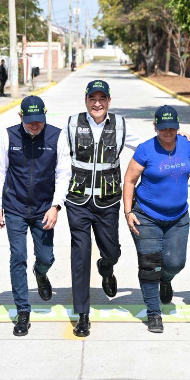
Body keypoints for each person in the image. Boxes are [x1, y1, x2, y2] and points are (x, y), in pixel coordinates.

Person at [0, 96, 70, 336]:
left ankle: (41, 272)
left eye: (39, 121)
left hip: (44, 208)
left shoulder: (58, 137)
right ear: (20, 117)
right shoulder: (8, 136)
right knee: (18, 257)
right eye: (30, 121)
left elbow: (63, 174)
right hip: (15, 207)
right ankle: (22, 310)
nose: (35, 125)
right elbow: (0, 171)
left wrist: (56, 206)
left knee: (46, 257)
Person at [122, 105, 190, 333]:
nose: (168, 132)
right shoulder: (145, 150)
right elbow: (130, 181)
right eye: (163, 128)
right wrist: (128, 211)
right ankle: (154, 313)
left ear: (177, 127)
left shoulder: (187, 144)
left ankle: (166, 279)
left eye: (172, 127)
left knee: (175, 263)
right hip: (147, 216)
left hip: (178, 217)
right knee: (149, 266)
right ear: (155, 127)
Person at [65, 80, 127, 338]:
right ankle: (82, 314)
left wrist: (179, 137)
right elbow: (58, 156)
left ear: (109, 101)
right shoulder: (71, 124)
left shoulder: (121, 124)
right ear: (86, 100)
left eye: (102, 98)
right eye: (93, 98)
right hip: (78, 201)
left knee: (112, 250)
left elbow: (148, 143)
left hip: (108, 201)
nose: (97, 103)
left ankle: (106, 267)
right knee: (80, 256)